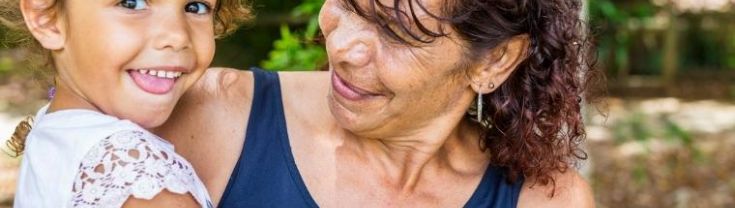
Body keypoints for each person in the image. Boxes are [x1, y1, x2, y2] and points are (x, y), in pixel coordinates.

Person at [156, 0, 599, 207]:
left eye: (396, 32)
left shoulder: (545, 201)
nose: (344, 47)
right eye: (347, 5)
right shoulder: (210, 117)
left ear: (495, 60)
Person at [2, 0, 250, 207]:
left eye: (196, 7)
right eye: (133, 3)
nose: (177, 37)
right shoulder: (141, 181)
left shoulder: (56, 130)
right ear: (48, 19)